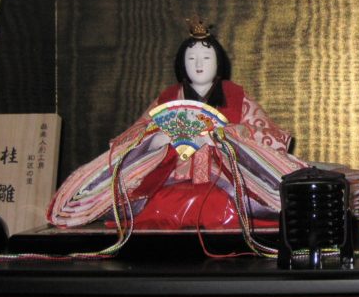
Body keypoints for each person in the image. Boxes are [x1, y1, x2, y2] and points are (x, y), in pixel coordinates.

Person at [47, 18, 307, 231]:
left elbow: (268, 136)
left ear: (218, 62)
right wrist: (156, 138)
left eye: (206, 58)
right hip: (170, 179)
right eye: (191, 58)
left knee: (225, 205)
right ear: (182, 63)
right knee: (159, 206)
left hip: (225, 181)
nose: (199, 64)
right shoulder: (168, 98)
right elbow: (134, 134)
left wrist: (223, 135)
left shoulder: (236, 95)